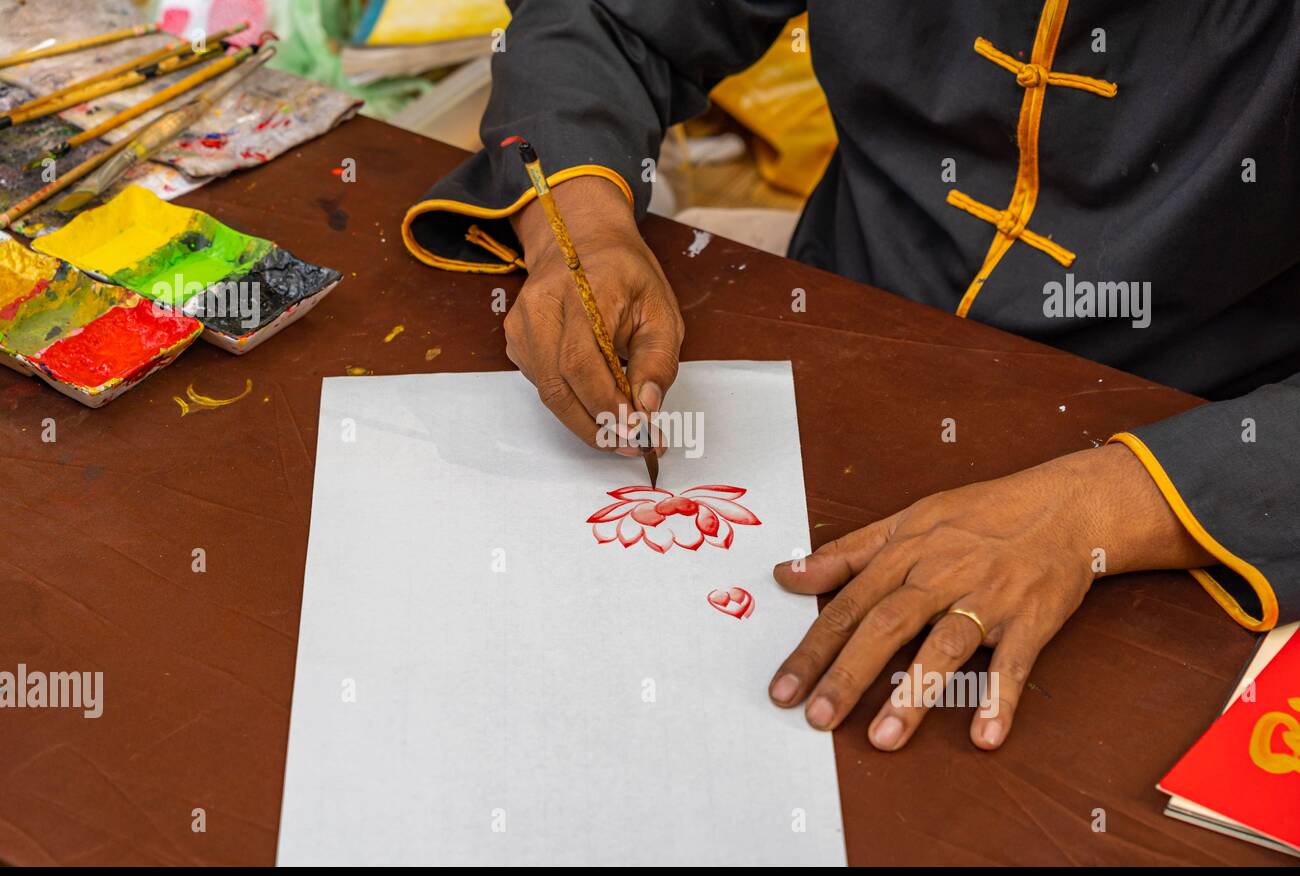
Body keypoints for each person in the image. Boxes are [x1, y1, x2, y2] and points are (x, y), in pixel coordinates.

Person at [401, 1, 1300, 752]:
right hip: (844, 331)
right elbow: (607, 14)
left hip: (1196, 453)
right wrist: (581, 223)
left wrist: (1100, 510)